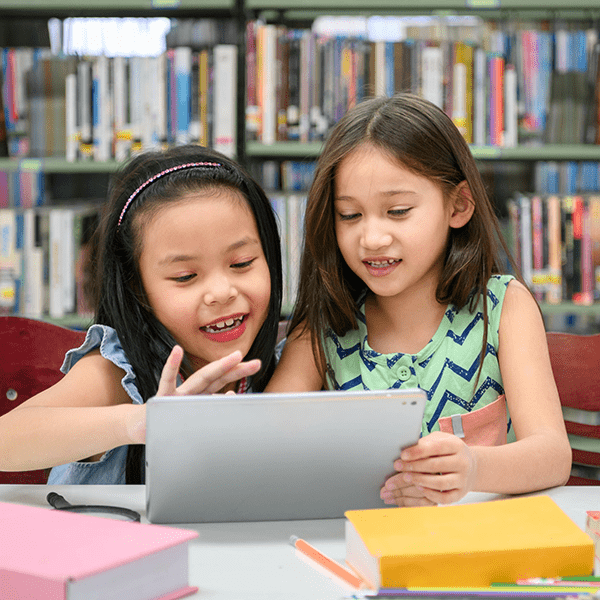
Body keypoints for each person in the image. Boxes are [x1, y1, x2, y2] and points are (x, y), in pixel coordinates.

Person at [266, 93, 572, 505]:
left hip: (480, 547)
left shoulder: (503, 307)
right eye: (349, 215)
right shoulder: (323, 327)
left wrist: (475, 468)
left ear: (458, 205)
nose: (372, 239)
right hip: (361, 547)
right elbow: (264, 444)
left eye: (398, 211)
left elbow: (553, 454)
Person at [0, 144, 282, 484]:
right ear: (137, 288)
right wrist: (141, 421)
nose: (222, 292)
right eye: (185, 277)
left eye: (242, 264)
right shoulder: (120, 374)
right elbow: (7, 439)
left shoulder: (285, 365)